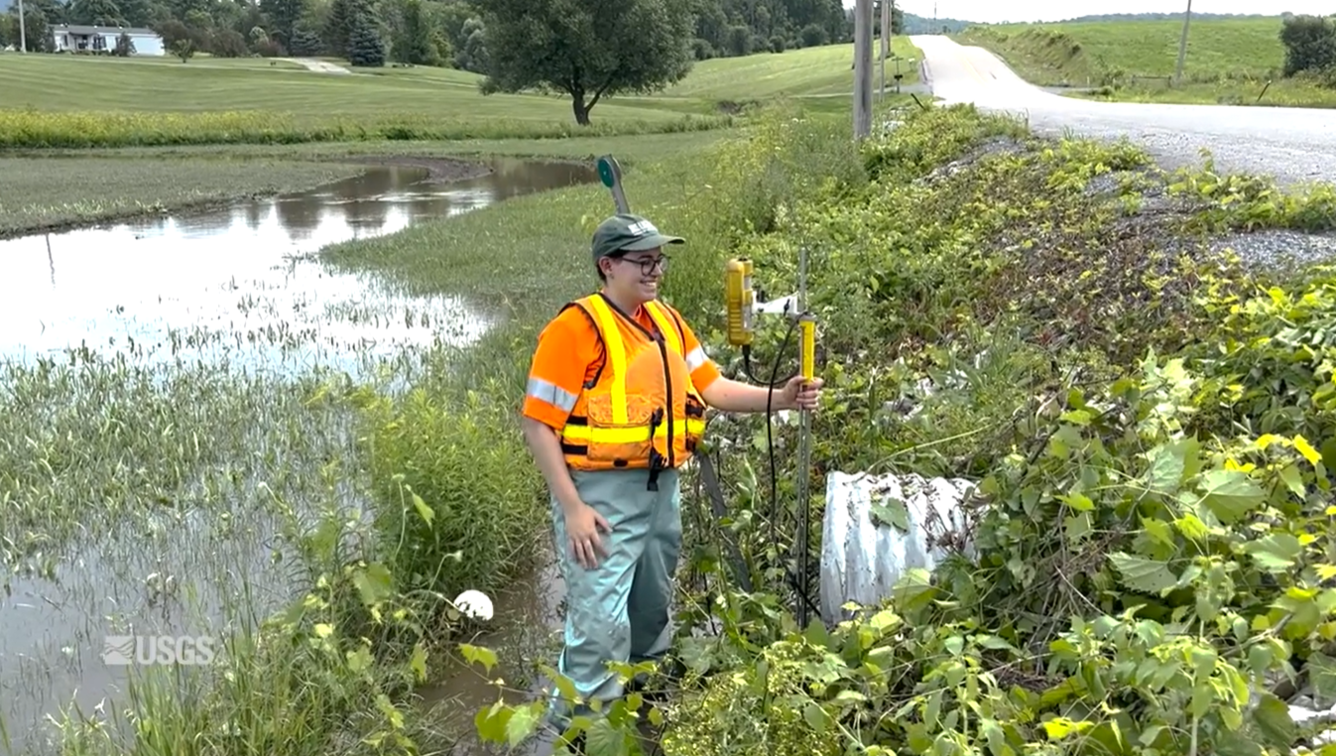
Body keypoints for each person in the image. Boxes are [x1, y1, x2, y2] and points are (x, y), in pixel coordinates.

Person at [519, 213, 824, 742]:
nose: (655, 270)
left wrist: (782, 397)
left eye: (659, 259)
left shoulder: (667, 322)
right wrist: (572, 508)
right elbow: (537, 424)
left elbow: (714, 388)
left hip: (662, 489)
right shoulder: (576, 328)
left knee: (650, 607)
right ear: (607, 265)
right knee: (598, 626)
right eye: (644, 260)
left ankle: (643, 715)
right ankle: (578, 736)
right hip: (600, 498)